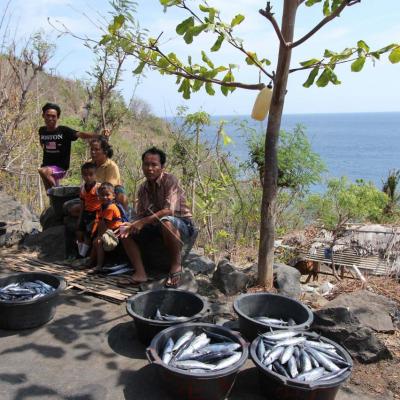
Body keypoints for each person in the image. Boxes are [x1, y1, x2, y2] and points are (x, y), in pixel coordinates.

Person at [117, 147, 194, 288]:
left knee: (166, 222)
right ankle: (140, 273)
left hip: (181, 223)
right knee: (124, 232)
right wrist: (130, 224)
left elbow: (168, 211)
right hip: (156, 224)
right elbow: (140, 214)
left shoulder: (170, 180)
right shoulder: (143, 188)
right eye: (146, 164)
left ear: (162, 167)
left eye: (154, 165)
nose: (150, 168)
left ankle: (176, 265)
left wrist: (143, 221)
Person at [37, 102, 110, 190]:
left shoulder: (64, 131)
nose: (50, 118)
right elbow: (42, 143)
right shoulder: (42, 130)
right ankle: (53, 198)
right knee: (48, 189)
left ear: (58, 117)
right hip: (47, 166)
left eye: (53, 116)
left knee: (43, 171)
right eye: (48, 115)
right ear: (43, 116)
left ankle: (58, 191)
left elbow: (81, 134)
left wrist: (99, 135)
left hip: (60, 168)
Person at [88, 182, 123, 274]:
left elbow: (104, 224)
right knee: (96, 241)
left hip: (115, 231)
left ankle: (99, 266)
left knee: (98, 241)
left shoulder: (110, 207)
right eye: (102, 195)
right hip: (109, 230)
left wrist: (99, 236)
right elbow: (100, 222)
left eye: (107, 195)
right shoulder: (102, 207)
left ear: (113, 196)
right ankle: (90, 262)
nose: (105, 197)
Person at [76, 162, 101, 258]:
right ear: (82, 175)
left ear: (95, 175)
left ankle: (82, 256)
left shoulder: (98, 188)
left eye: (91, 174)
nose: (88, 177)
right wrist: (80, 217)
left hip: (95, 214)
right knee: (79, 233)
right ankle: (80, 253)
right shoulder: (82, 188)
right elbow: (82, 203)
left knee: (88, 235)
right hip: (86, 213)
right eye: (85, 175)